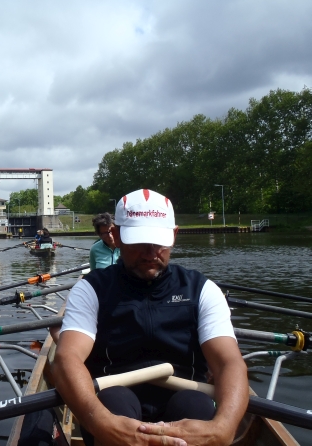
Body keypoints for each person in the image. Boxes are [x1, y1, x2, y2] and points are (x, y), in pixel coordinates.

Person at [51, 189, 248, 446]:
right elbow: (67, 359)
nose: (149, 253)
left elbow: (229, 363)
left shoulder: (202, 289)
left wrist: (224, 428)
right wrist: (99, 421)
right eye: (139, 242)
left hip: (187, 399)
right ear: (117, 236)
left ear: (174, 235)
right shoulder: (91, 289)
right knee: (113, 403)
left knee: (197, 406)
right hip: (115, 401)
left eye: (158, 242)